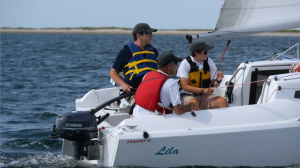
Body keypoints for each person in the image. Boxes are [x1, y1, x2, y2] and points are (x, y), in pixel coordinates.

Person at [133, 52, 196, 118]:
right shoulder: (171, 83)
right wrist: (190, 106)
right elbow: (178, 111)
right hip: (154, 118)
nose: (177, 66)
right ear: (169, 66)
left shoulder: (147, 75)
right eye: (175, 63)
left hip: (137, 114)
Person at [177, 42, 229, 110]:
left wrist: (218, 80)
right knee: (194, 104)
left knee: (223, 101)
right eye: (205, 52)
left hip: (205, 96)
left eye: (207, 52)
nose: (207, 54)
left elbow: (215, 85)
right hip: (188, 95)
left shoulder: (209, 62)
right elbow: (185, 86)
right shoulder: (185, 64)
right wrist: (203, 90)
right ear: (196, 53)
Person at [110, 23, 159, 92]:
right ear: (138, 35)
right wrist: (123, 84)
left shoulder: (154, 51)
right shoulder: (126, 52)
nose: (151, 36)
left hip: (152, 91)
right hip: (133, 92)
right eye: (148, 33)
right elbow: (113, 72)